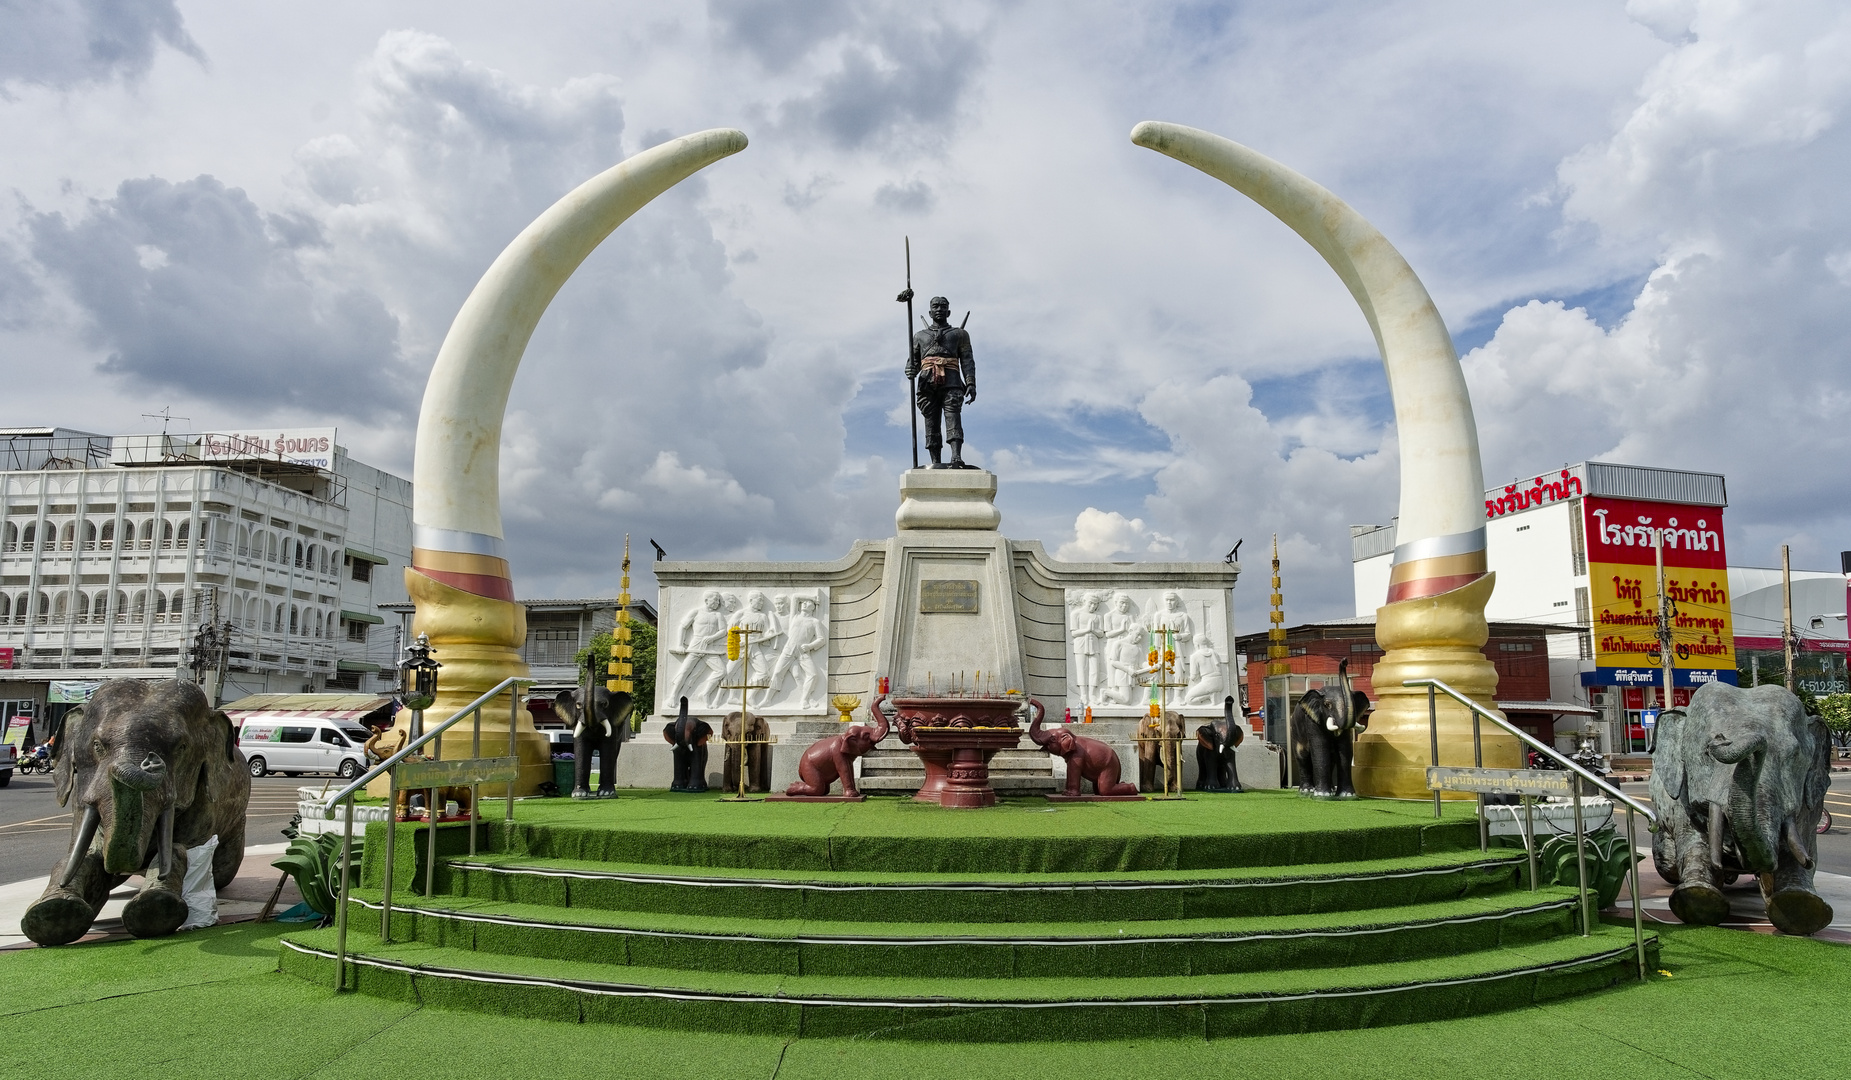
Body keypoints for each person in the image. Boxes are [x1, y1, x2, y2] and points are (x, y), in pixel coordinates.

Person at [906, 296, 977, 468]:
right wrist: (910, 369)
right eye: (935, 306)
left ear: (949, 311)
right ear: (930, 312)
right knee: (931, 420)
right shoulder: (919, 336)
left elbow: (967, 359)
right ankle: (935, 461)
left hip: (951, 380)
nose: (939, 309)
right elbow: (913, 361)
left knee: (953, 416)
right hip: (926, 383)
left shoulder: (959, 334)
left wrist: (970, 382)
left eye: (943, 306)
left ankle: (956, 456)